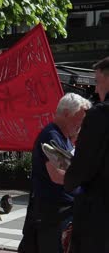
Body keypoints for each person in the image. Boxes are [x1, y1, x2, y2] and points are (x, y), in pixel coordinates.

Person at [19, 93, 91, 253]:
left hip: (60, 212)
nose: (81, 123)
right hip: (54, 214)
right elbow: (57, 175)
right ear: (66, 114)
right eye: (80, 118)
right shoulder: (52, 135)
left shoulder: (63, 137)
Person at [64, 57, 109, 252]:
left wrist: (68, 179)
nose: (96, 89)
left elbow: (83, 165)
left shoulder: (99, 115)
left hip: (99, 215)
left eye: (97, 82)